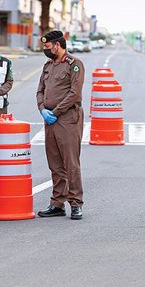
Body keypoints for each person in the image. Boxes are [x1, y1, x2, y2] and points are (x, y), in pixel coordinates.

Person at [36, 30, 85, 220]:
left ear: (57, 45)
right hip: (49, 119)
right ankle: (57, 203)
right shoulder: (48, 66)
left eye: (47, 47)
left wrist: (55, 112)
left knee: (71, 163)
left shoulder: (74, 65)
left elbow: (75, 94)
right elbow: (40, 90)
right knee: (55, 164)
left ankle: (75, 203)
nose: (45, 50)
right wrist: (42, 109)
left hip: (67, 119)